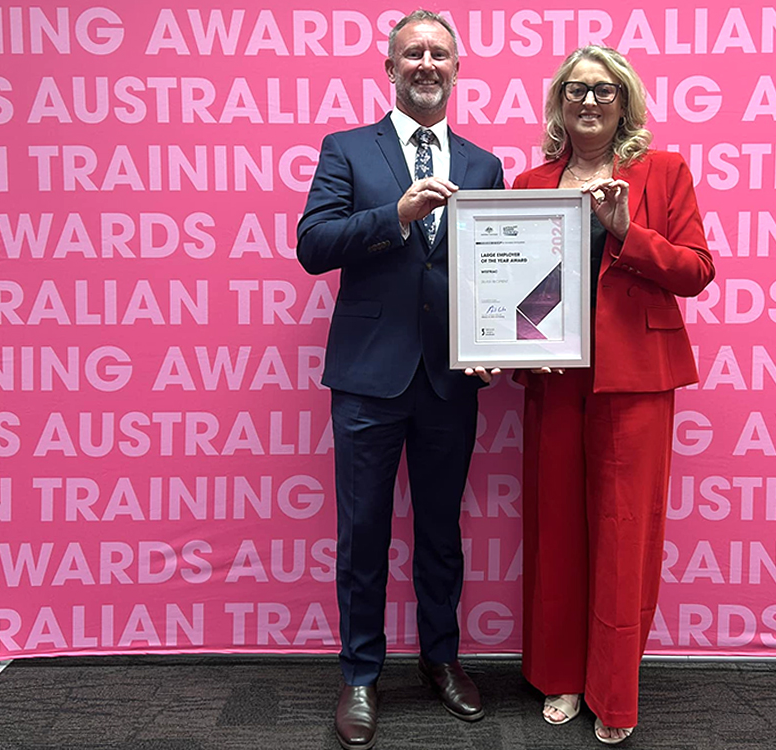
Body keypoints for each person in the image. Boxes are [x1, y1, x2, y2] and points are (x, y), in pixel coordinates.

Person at [296, 10, 504, 750]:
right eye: (412, 52)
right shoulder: (347, 150)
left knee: (442, 532)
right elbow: (313, 246)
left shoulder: (483, 164)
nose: (426, 63)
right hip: (366, 380)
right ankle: (360, 674)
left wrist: (496, 340)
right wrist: (395, 213)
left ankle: (441, 662)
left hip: (451, 381)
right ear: (389, 68)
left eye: (439, 53)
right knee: (362, 533)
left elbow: (491, 275)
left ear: (457, 68)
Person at [513, 46, 715, 745]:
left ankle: (613, 691)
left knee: (625, 537)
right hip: (554, 381)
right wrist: (506, 348)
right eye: (576, 90)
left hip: (636, 381)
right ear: (560, 103)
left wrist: (627, 232)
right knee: (558, 529)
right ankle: (563, 676)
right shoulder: (531, 180)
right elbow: (510, 293)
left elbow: (695, 271)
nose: (589, 102)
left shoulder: (663, 171)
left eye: (603, 90)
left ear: (624, 101)